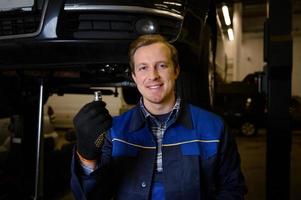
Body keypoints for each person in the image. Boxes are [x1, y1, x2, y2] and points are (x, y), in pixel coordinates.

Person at [70, 34, 247, 199]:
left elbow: (232, 189)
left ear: (176, 70)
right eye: (143, 68)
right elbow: (91, 195)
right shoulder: (115, 131)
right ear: (134, 76)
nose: (153, 76)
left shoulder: (214, 128)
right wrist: (86, 157)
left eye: (161, 65)